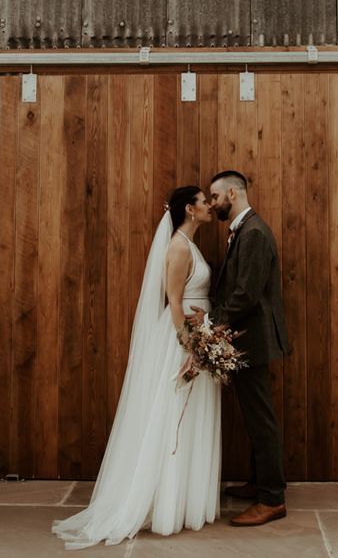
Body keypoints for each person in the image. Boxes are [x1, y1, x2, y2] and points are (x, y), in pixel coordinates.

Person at [52, 186, 221, 549]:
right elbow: (175, 301)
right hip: (182, 339)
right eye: (205, 201)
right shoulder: (177, 246)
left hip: (198, 332)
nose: (210, 205)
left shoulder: (189, 244)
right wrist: (190, 347)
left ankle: (184, 498)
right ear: (190, 210)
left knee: (191, 418)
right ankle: (162, 502)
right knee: (172, 415)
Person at [192, 170, 290, 527]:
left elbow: (246, 294)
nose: (213, 204)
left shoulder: (253, 233)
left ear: (232, 194)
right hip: (246, 338)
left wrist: (210, 323)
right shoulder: (245, 231)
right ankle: (259, 481)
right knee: (254, 415)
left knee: (260, 418)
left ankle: (272, 499)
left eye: (215, 197)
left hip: (253, 339)